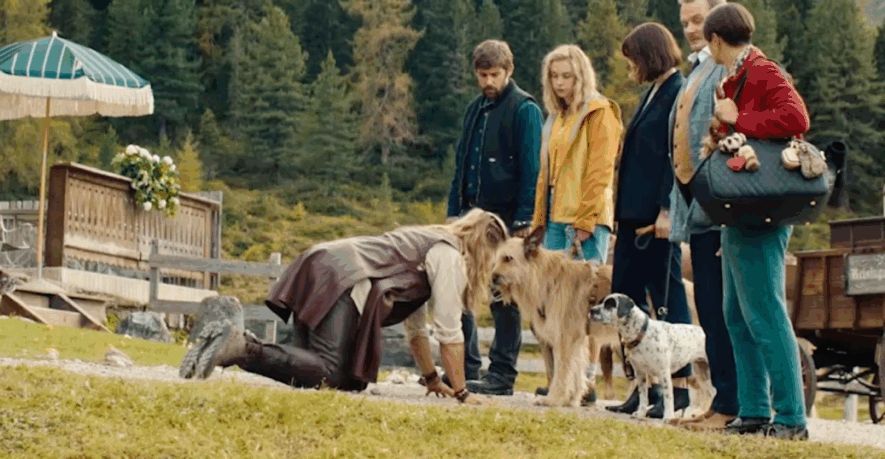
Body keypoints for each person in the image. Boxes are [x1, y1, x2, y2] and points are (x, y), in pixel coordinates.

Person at [181, 209, 506, 405]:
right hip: (341, 277)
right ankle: (238, 346)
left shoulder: (428, 242)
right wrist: (462, 392)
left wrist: (433, 379)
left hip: (327, 265)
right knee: (327, 372)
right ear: (485, 247)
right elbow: (450, 333)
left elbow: (417, 327)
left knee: (339, 379)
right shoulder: (450, 257)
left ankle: (231, 345)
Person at [702, 2, 810, 441]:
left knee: (765, 311)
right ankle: (753, 409)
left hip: (764, 210)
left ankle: (791, 418)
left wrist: (738, 118)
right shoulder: (738, 76)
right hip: (740, 211)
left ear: (715, 40)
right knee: (737, 315)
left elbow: (797, 119)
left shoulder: (763, 71)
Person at [446, 39, 544, 397]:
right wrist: (452, 213)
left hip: (506, 220)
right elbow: (461, 165)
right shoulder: (475, 109)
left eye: (494, 74)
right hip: (470, 218)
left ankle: (502, 373)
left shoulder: (525, 109)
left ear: (509, 71)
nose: (488, 81)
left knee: (505, 296)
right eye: (482, 74)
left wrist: (523, 219)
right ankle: (466, 367)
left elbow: (533, 167)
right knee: (461, 288)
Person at [607, 22, 694, 419]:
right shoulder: (652, 94)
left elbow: (673, 158)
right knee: (627, 295)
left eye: (633, 62)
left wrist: (666, 210)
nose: (631, 70)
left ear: (649, 56)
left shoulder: (678, 93)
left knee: (666, 297)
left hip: (653, 216)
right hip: (629, 216)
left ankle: (676, 389)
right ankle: (640, 388)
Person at [530, 44, 622, 401]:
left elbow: (601, 171)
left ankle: (585, 383)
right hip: (554, 217)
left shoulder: (600, 113)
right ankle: (559, 383)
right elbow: (546, 175)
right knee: (552, 307)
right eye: (554, 77)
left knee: (584, 308)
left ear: (581, 76)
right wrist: (540, 221)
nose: (560, 84)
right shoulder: (555, 117)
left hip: (585, 218)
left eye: (567, 76)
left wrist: (585, 219)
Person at [666, 0, 739, 432]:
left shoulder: (728, 69)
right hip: (698, 211)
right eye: (688, 22)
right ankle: (720, 402)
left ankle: (733, 403)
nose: (693, 29)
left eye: (700, 20)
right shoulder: (695, 71)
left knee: (726, 312)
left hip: (720, 208)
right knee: (710, 311)